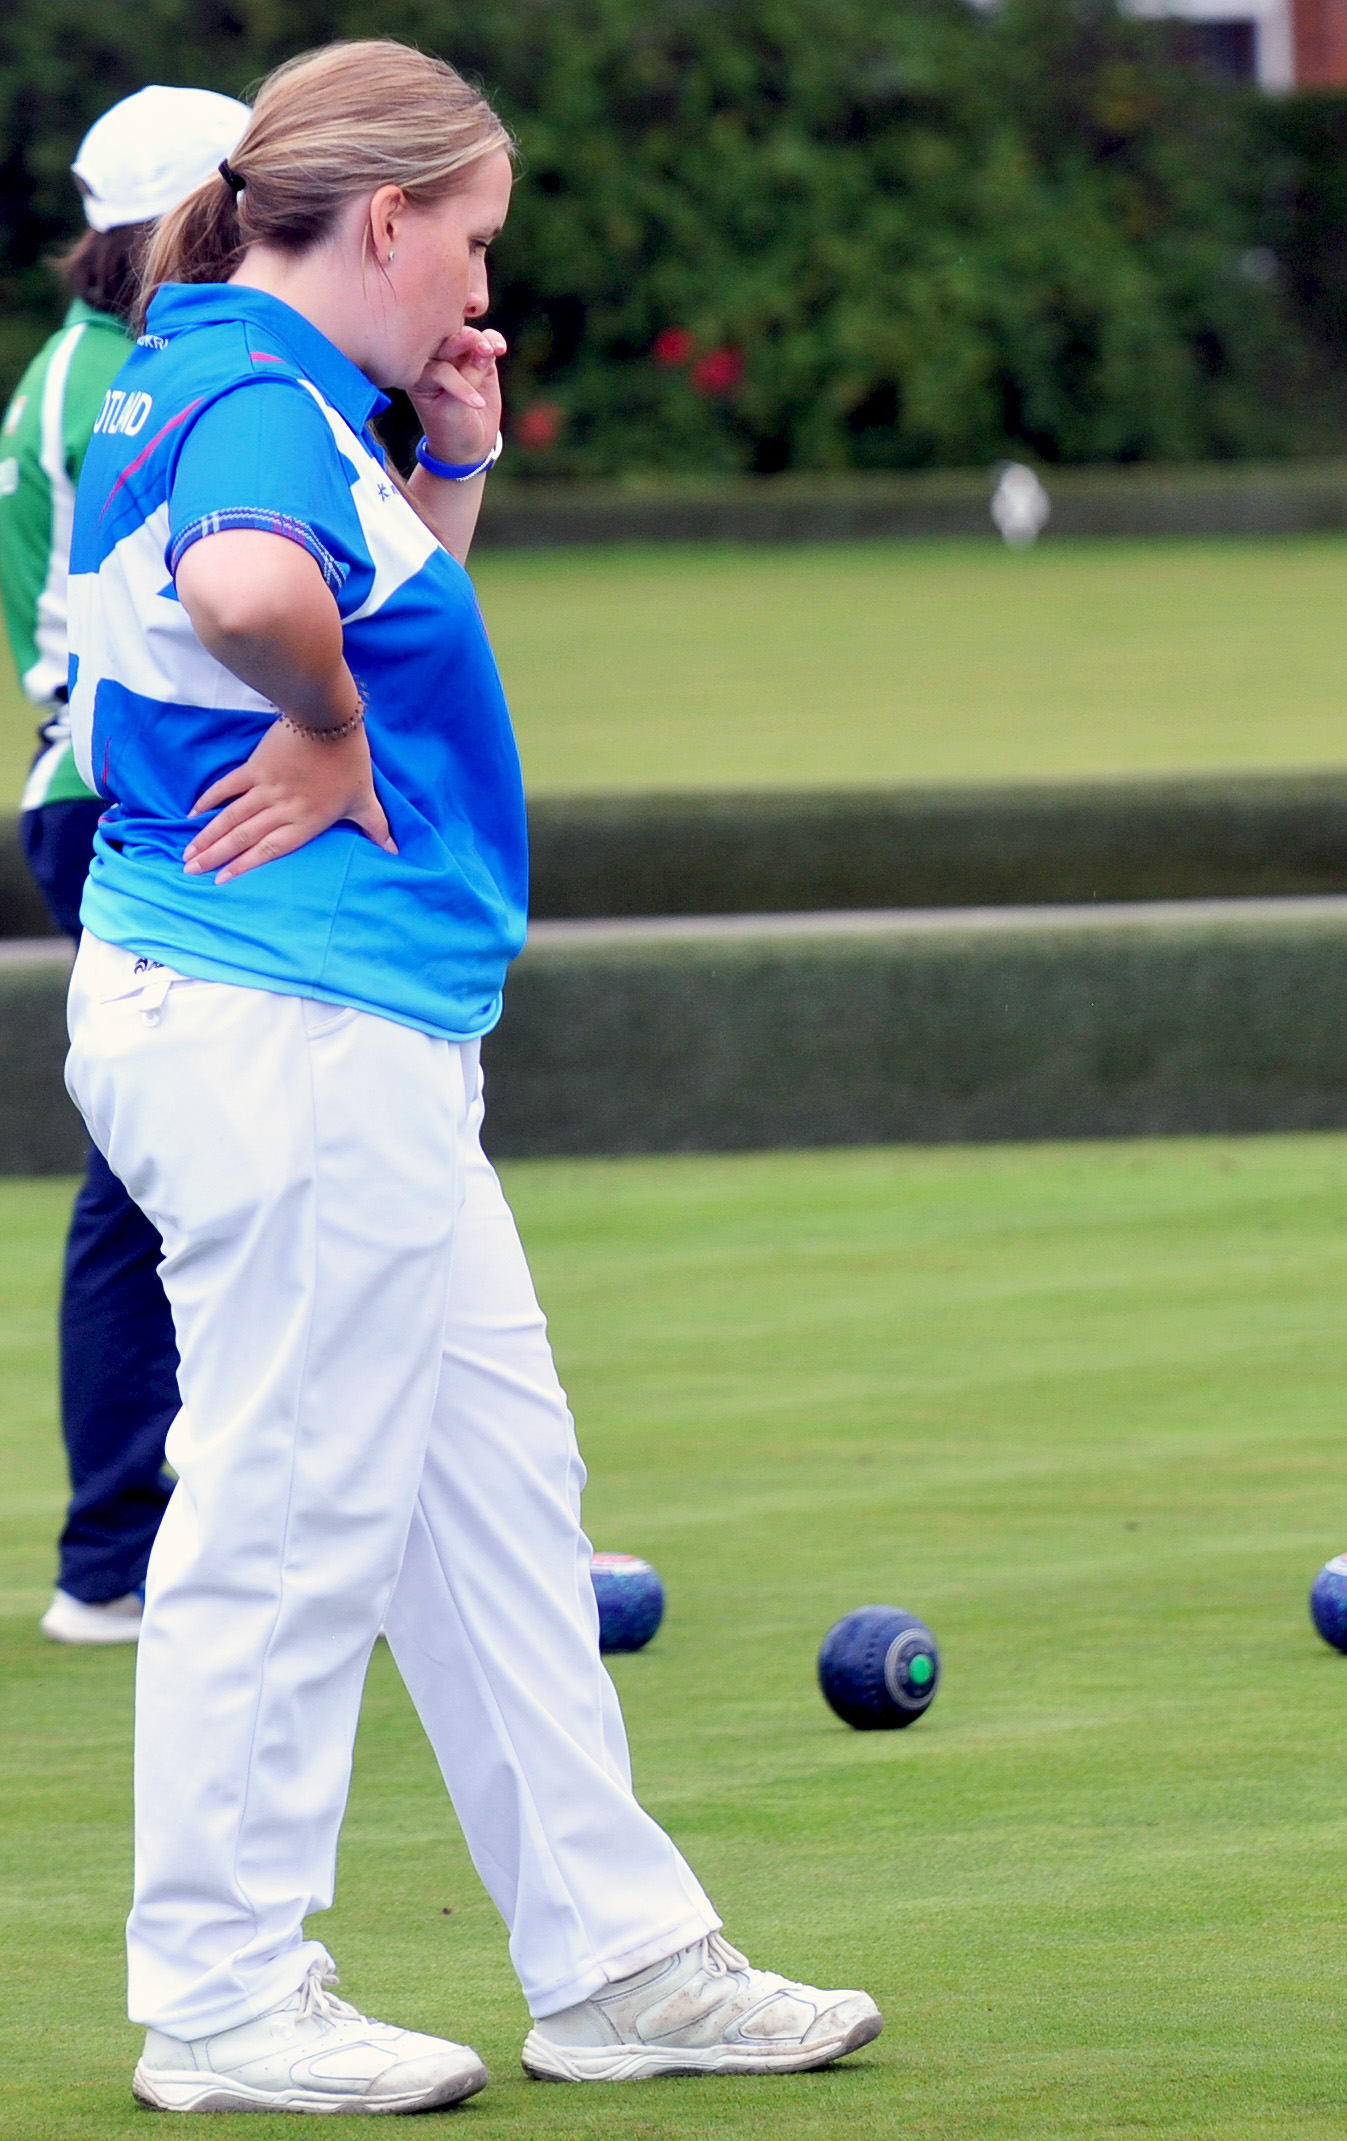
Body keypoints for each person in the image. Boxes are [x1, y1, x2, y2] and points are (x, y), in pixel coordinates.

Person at [65, 41, 881, 2112]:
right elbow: (256, 598)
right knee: (291, 1517)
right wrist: (325, 732)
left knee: (496, 1513)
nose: (483, 283)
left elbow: (341, 607)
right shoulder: (253, 396)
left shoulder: (237, 372)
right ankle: (225, 2005)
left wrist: (450, 475)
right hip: (292, 1033)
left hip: (337, 1032)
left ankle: (617, 1961)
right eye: (479, 241)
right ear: (396, 219)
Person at [12, 87, 247, 1648]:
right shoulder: (138, 378)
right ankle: (128, 1551)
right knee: (192, 1177)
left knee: (157, 1179)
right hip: (128, 792)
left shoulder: (103, 367)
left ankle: (129, 1553)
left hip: (106, 789)